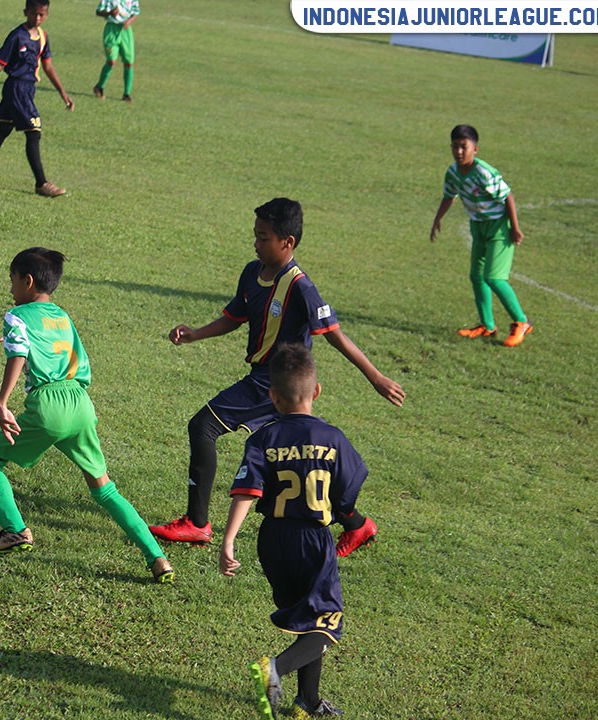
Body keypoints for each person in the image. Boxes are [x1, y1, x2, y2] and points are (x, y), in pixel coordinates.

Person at [149, 198, 404, 557]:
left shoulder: (301, 287)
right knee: (299, 457)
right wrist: (196, 334)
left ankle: (197, 522)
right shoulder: (252, 273)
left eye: (264, 237)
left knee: (203, 426)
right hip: (264, 379)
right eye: (255, 235)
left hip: (274, 383)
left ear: (288, 242)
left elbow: (334, 334)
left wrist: (376, 377)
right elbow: (235, 317)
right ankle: (357, 524)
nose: (256, 243)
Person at [0, 247, 175, 585]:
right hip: (80, 404)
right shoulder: (62, 316)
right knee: (105, 489)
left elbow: (19, 353)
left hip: (48, 407)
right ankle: (157, 557)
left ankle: (14, 530)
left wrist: (2, 401)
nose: (10, 289)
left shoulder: (16, 315)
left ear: (27, 281)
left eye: (12, 280)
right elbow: (68, 356)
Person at [220, 343, 364, 718]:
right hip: (312, 540)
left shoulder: (263, 438)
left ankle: (308, 701)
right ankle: (274, 670)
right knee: (327, 622)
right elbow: (346, 495)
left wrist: (229, 539)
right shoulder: (333, 438)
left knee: (307, 617)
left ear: (273, 395)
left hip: (272, 540)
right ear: (316, 391)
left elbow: (246, 491)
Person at [430, 124, 533, 347]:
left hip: (499, 228)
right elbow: (449, 196)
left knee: (494, 278)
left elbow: (508, 196)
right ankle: (487, 326)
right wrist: (437, 219)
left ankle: (522, 322)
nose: (459, 152)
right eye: (455, 146)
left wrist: (515, 228)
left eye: (464, 147)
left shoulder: (483, 172)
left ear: (475, 149)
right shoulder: (453, 172)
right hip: (478, 226)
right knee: (477, 277)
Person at [0, 0, 74, 198]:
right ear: (25, 12)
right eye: (34, 13)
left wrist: (63, 92)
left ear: (47, 15)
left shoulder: (43, 37)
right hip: (16, 89)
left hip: (28, 89)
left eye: (42, 14)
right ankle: (41, 183)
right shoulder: (17, 36)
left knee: (2, 129)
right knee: (33, 132)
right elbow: (0, 64)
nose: (37, 18)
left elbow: (48, 66)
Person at [92, 0, 139, 103]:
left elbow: (135, 13)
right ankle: (99, 87)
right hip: (111, 30)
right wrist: (109, 13)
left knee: (129, 62)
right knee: (111, 61)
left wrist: (129, 21)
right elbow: (98, 11)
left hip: (126, 32)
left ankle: (126, 94)